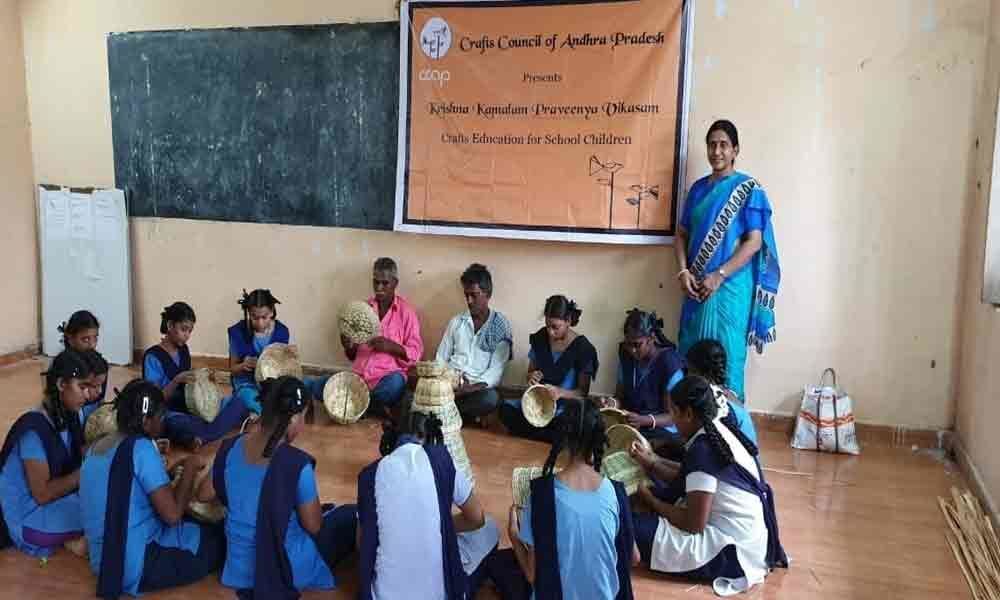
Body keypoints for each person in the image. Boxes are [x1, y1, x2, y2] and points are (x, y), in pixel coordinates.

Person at [198, 376, 357, 597]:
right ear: (292, 419)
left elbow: (204, 493)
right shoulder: (296, 464)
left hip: (237, 569)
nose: (302, 426)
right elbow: (313, 527)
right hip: (288, 569)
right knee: (349, 515)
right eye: (302, 418)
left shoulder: (229, 447)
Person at [631, 376, 787, 596]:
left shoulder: (703, 450)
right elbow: (690, 477)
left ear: (688, 414)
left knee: (631, 529)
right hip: (748, 537)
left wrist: (652, 502)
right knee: (651, 494)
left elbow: (693, 524)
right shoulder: (714, 429)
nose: (673, 420)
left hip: (733, 552)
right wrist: (652, 461)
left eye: (674, 413)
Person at [80, 379, 224, 598]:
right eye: (160, 418)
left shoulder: (96, 448)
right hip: (136, 563)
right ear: (146, 421)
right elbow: (173, 516)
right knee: (218, 538)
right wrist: (190, 467)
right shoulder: (141, 448)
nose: (162, 423)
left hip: (103, 560)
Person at [674, 120, 780, 401]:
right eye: (712, 144)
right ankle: (693, 425)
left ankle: (731, 428)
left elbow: (754, 242)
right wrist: (683, 271)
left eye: (723, 145)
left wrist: (719, 275)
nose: (717, 151)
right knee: (692, 355)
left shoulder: (749, 189)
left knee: (729, 355)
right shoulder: (696, 190)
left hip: (731, 288)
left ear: (735, 150)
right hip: (695, 287)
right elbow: (681, 235)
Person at [492, 400, 638, 600]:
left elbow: (532, 574)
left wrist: (514, 535)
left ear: (563, 439)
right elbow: (634, 557)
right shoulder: (617, 492)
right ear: (599, 439)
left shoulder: (543, 494)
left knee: (500, 563)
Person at [357, 411, 499, 599]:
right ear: (428, 436)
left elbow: (362, 543)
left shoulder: (369, 475)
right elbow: (476, 518)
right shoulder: (441, 459)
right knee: (489, 528)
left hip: (380, 595)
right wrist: (442, 526)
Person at [0, 350, 92, 558]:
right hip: (28, 516)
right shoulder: (33, 429)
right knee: (107, 510)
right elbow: (42, 495)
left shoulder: (70, 415)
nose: (87, 395)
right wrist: (84, 472)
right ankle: (71, 539)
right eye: (82, 387)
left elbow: (76, 454)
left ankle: (70, 538)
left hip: (56, 500)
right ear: (61, 385)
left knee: (106, 495)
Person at [143, 301, 250, 446]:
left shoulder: (183, 349)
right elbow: (154, 399)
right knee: (176, 423)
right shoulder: (152, 357)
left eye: (190, 331)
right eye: (183, 329)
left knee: (239, 402)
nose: (187, 335)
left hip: (190, 407)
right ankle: (203, 433)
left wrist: (206, 378)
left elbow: (190, 383)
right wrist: (176, 381)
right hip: (169, 411)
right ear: (169, 326)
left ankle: (198, 436)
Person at [499, 296, 598, 441]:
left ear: (568, 321)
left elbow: (582, 393)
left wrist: (561, 392)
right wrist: (531, 377)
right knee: (505, 410)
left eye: (555, 327)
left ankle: (536, 433)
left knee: (573, 425)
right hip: (538, 404)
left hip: (562, 409)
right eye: (547, 326)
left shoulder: (583, 349)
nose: (550, 332)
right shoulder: (540, 338)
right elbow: (530, 373)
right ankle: (546, 435)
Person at [341, 258, 423, 418]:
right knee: (321, 384)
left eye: (385, 283)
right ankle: (365, 405)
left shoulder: (406, 313)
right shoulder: (363, 310)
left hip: (386, 379)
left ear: (395, 283)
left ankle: (354, 404)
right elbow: (352, 356)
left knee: (396, 384)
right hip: (359, 378)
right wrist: (348, 346)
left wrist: (390, 346)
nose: (379, 288)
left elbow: (416, 354)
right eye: (376, 282)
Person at [435, 263, 513, 424]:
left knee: (490, 398)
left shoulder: (500, 326)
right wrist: (444, 383)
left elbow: (495, 373)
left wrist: (469, 388)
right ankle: (456, 414)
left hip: (476, 390)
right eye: (466, 295)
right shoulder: (457, 322)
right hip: (451, 387)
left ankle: (446, 413)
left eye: (474, 295)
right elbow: (440, 359)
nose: (469, 301)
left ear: (487, 294)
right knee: (417, 392)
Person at [600, 309, 685, 449]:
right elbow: (619, 396)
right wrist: (612, 403)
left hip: (660, 430)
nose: (632, 350)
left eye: (637, 345)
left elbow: (673, 417)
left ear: (651, 338)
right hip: (633, 423)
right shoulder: (626, 356)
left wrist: (645, 420)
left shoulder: (669, 363)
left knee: (635, 448)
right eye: (628, 344)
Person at [229, 289, 290, 415]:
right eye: (254, 317)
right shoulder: (238, 332)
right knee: (251, 399)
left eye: (264, 317)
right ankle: (259, 410)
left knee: (297, 389)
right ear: (248, 313)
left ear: (272, 312)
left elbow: (284, 367)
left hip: (272, 383)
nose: (260, 322)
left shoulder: (282, 332)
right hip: (246, 382)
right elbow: (233, 369)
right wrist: (242, 365)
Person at [685, 339, 758, 446]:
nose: (686, 376)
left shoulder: (714, 405)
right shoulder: (727, 394)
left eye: (689, 371)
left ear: (698, 373)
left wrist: (657, 462)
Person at [60, 310, 108, 421]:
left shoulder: (99, 366)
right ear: (70, 339)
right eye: (85, 339)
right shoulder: (61, 368)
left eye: (95, 338)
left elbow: (99, 400)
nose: (92, 345)